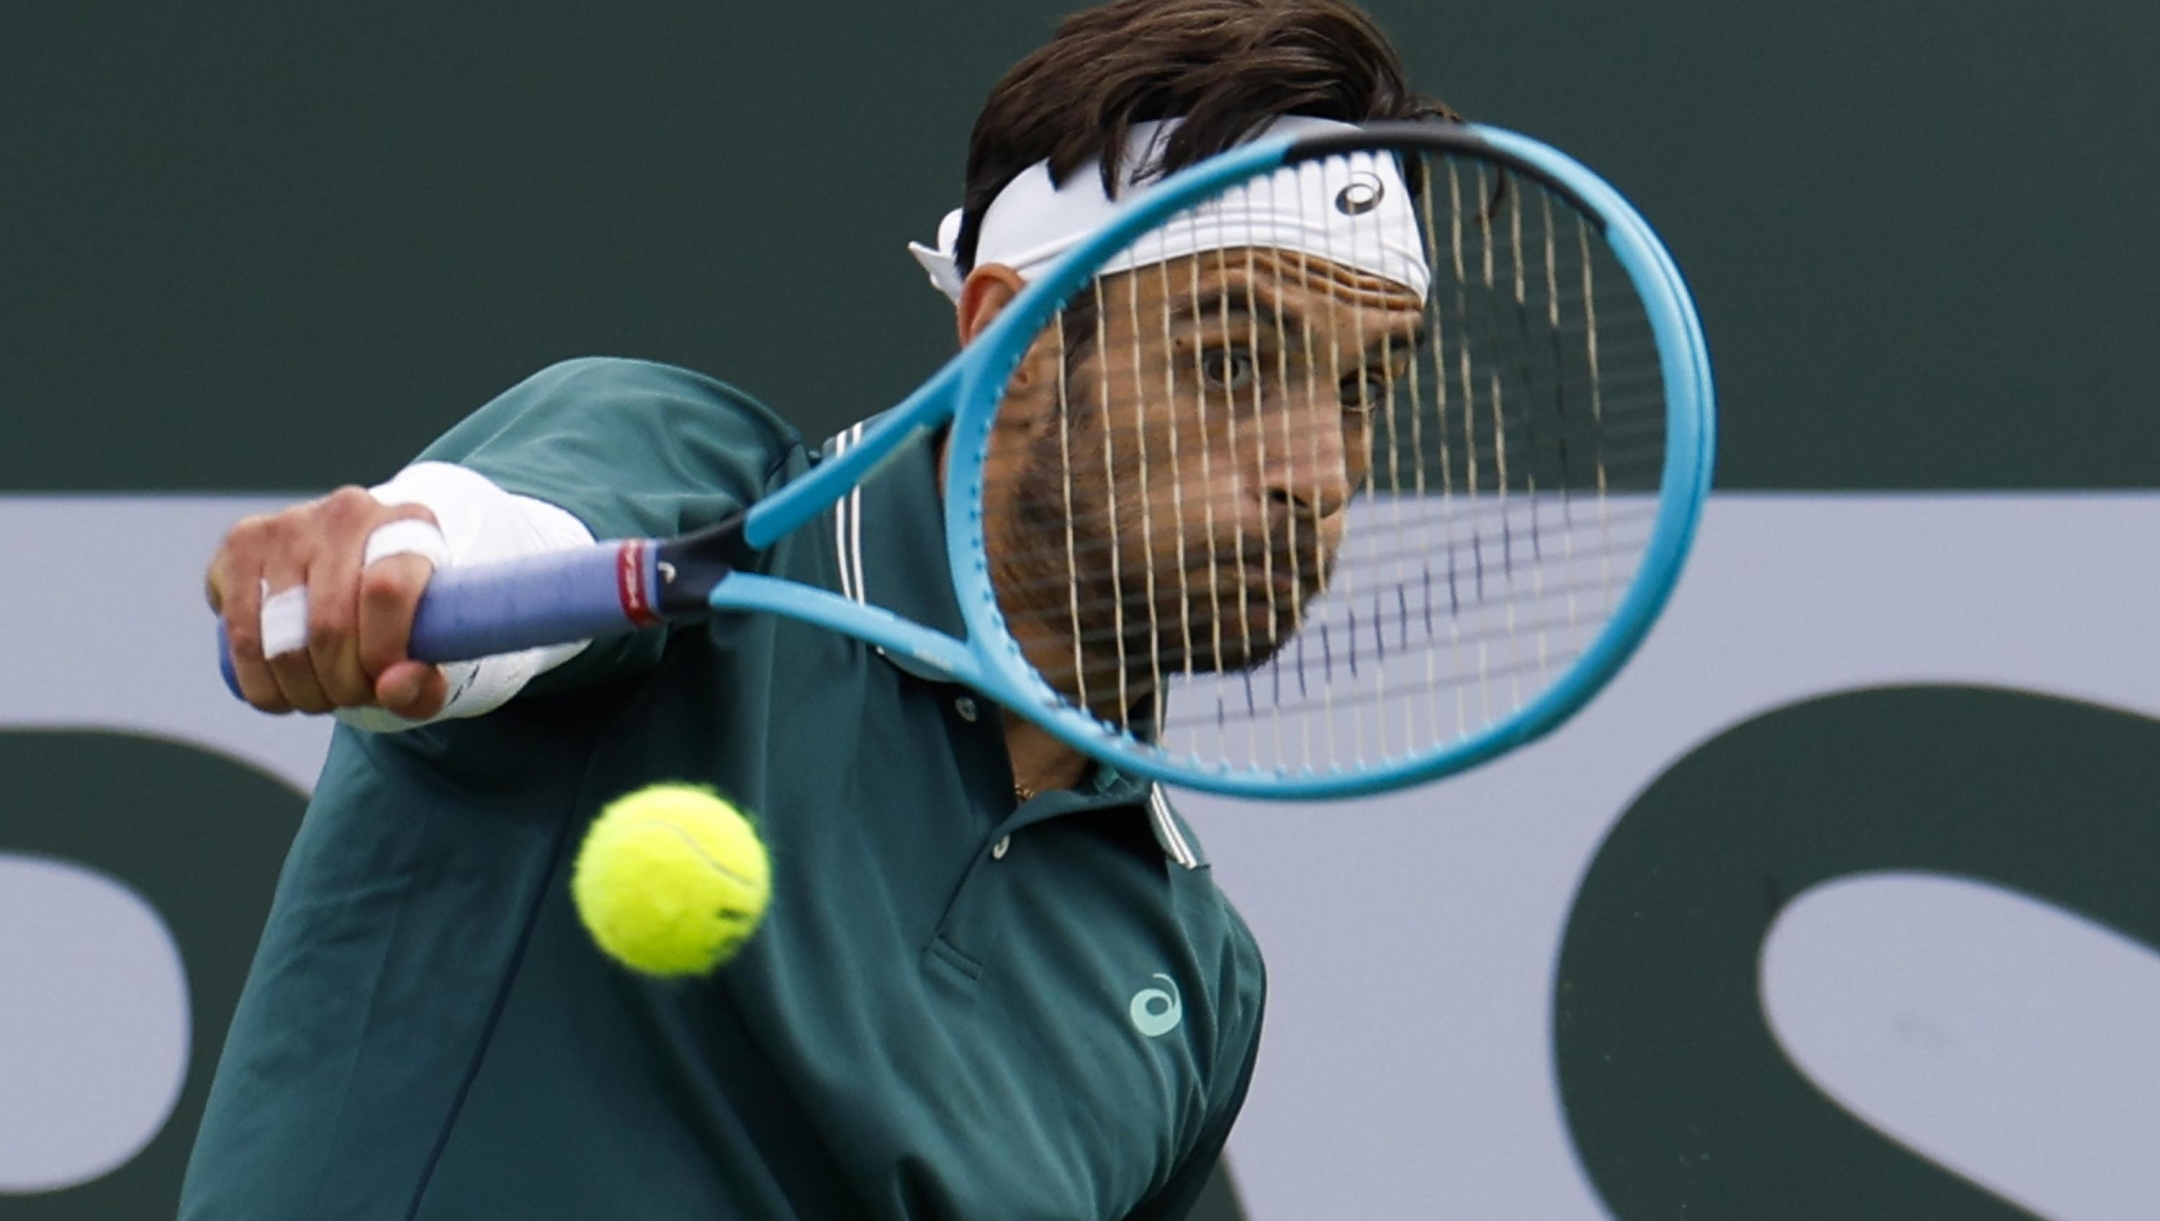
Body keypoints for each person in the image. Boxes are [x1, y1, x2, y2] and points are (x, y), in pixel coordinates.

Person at [185, 2, 1453, 1217]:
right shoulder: (696, 489)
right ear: (1003, 339)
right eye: (1230, 359)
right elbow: (509, 541)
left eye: (1360, 388)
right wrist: (398, 557)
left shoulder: (1192, 985)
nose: (1316, 471)